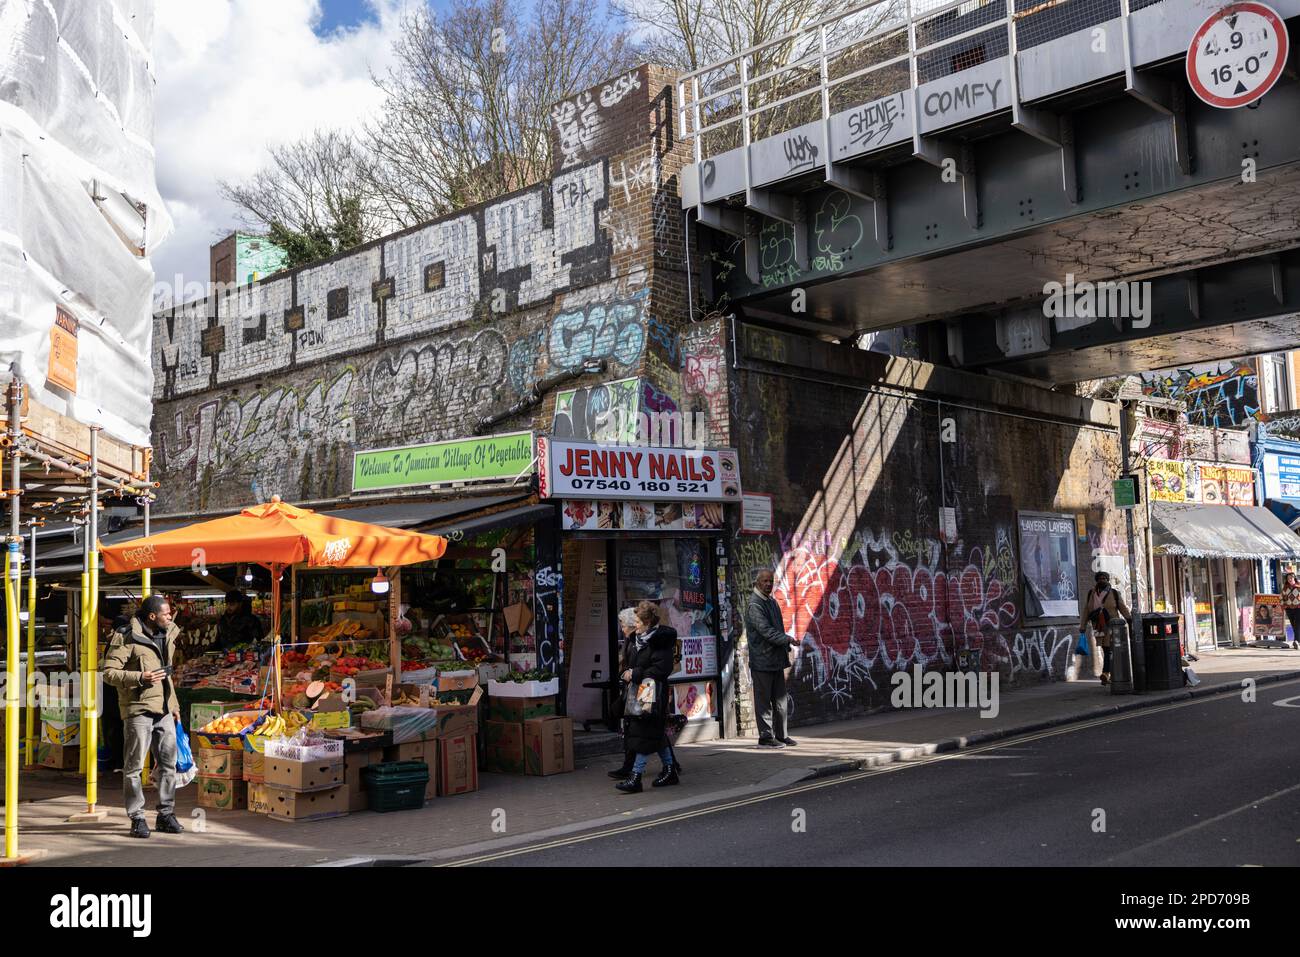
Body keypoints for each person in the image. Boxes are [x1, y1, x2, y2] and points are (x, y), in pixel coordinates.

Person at [103, 595, 184, 839]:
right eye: (166, 613)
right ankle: (137, 817)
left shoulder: (167, 632)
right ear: (152, 616)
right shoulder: (126, 636)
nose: (170, 617)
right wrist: (141, 677)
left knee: (169, 765)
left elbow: (167, 674)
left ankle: (165, 814)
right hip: (138, 709)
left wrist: (175, 705)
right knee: (134, 767)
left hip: (164, 710)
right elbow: (108, 673)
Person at [614, 601, 678, 794]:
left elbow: (661, 669)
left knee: (644, 731)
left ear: (648, 622)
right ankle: (670, 770)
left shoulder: (660, 641)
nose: (635, 625)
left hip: (652, 692)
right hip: (639, 690)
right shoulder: (637, 639)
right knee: (654, 734)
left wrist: (635, 673)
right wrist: (628, 672)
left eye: (638, 621)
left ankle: (636, 777)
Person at [744, 568, 797, 748]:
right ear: (757, 583)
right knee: (764, 701)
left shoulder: (771, 602)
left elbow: (777, 629)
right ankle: (765, 738)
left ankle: (782, 736)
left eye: (770, 581)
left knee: (781, 701)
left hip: (775, 660)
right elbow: (766, 631)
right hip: (762, 662)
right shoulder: (755, 605)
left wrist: (785, 642)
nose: (768, 584)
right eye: (764, 581)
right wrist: (786, 639)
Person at [607, 607, 641, 780]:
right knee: (643, 730)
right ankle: (671, 764)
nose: (621, 627)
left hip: (640, 691)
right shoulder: (629, 640)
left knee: (640, 730)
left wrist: (631, 672)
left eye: (622, 624)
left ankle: (629, 767)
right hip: (631, 689)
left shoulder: (638, 641)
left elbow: (642, 664)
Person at [1079, 571, 1131, 685]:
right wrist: (1082, 626)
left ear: (1108, 580)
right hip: (1098, 626)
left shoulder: (1114, 593)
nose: (1102, 580)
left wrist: (1129, 619)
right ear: (1096, 580)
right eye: (1100, 578)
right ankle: (1111, 674)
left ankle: (1106, 673)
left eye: (1104, 578)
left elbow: (1122, 607)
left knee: (1109, 650)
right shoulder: (1091, 594)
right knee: (1106, 649)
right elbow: (1087, 610)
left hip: (1113, 627)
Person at [1282, 571, 1300, 650]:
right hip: (1289, 609)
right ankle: (1298, 640)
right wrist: (1283, 605)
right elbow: (1281, 597)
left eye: (1291, 578)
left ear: (1294, 578)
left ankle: (1296, 641)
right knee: (1293, 625)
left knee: (1297, 625)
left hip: (1298, 608)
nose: (1290, 579)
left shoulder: (1299, 586)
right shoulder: (1285, 588)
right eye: (1288, 578)